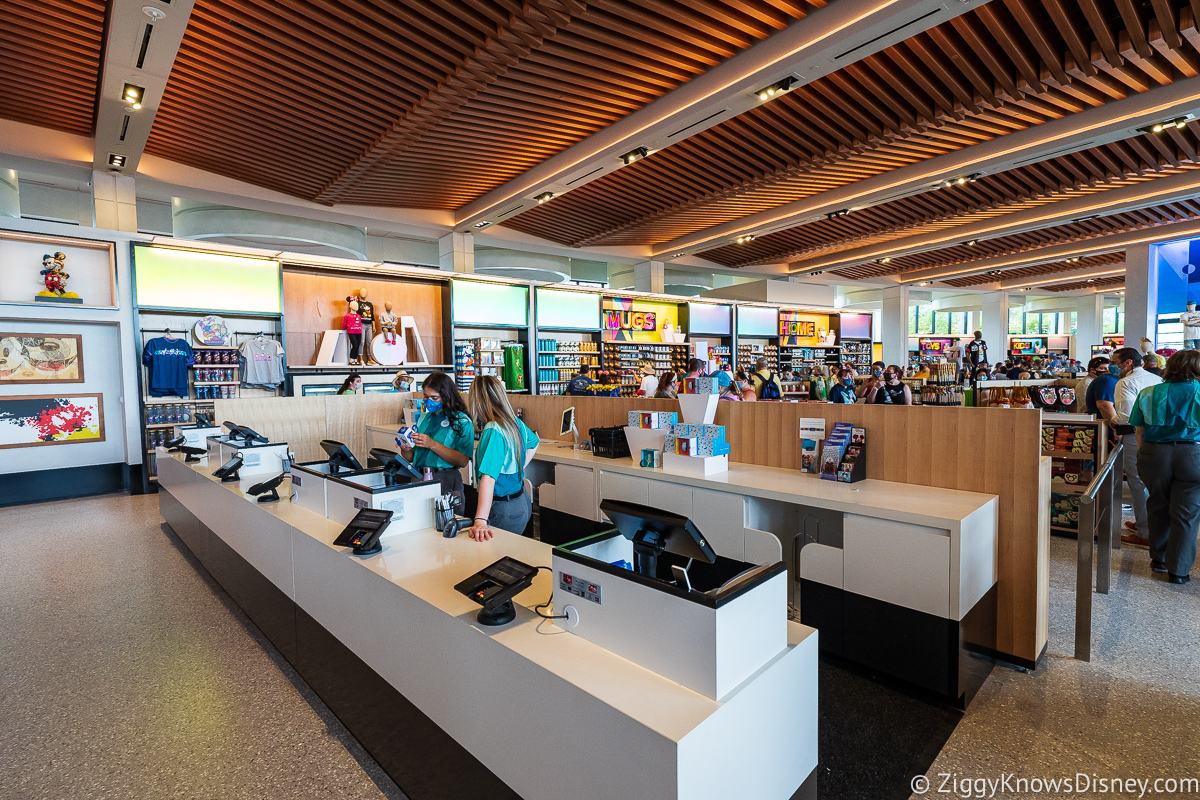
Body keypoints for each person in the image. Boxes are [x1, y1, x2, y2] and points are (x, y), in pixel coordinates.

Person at [1129, 349, 1200, 583]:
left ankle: (1158, 558)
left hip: (1154, 452)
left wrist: (1147, 454)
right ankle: (1178, 571)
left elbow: (1139, 430)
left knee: (1157, 503)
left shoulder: (1149, 392)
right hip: (1194, 454)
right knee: (1187, 513)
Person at [464, 375, 539, 542]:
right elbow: (534, 443)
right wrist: (519, 466)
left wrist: (480, 521)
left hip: (503, 508)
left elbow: (489, 478)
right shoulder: (514, 422)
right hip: (521, 502)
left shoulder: (493, 429)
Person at [1110, 348, 1162, 547]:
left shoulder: (1125, 383)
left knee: (1137, 481)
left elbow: (1125, 416)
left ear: (1128, 362)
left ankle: (1144, 532)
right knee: (1154, 482)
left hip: (1134, 435)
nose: (1113, 365)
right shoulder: (1156, 379)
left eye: (1115, 361)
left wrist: (1113, 421)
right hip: (1158, 435)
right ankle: (1148, 523)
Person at [401, 370, 474, 500]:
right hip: (418, 476)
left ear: (446, 396)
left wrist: (432, 444)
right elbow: (411, 457)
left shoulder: (461, 422)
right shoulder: (424, 418)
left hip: (446, 480)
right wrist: (405, 447)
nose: (429, 401)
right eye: (425, 396)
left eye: (434, 398)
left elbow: (463, 461)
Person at [1085, 355, 1117, 420]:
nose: (1106, 371)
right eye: (1103, 368)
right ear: (1092, 370)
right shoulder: (1103, 381)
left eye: (1108, 368)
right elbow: (1103, 406)